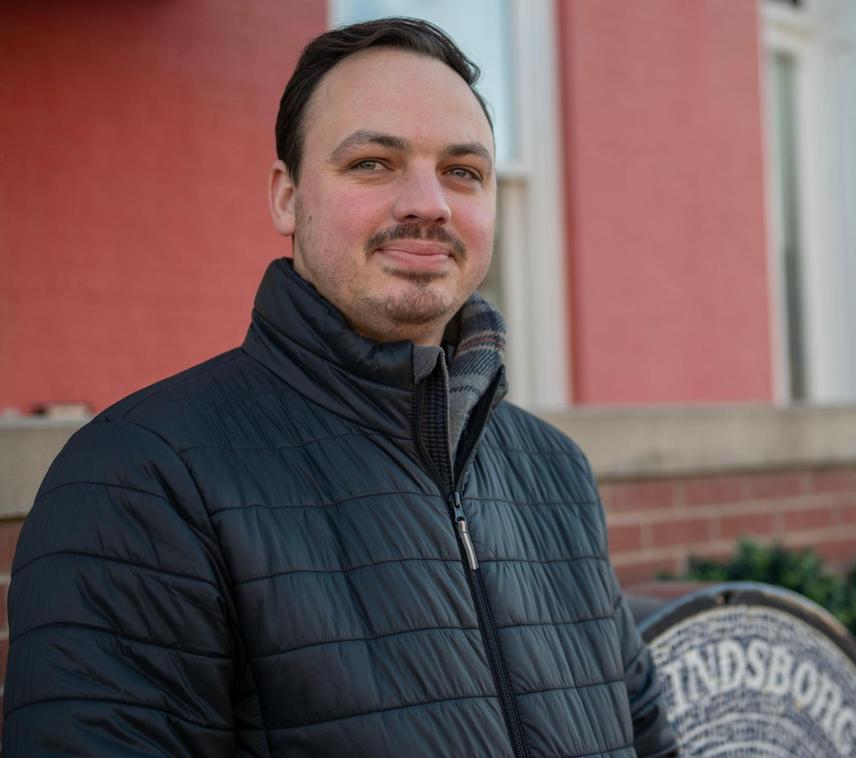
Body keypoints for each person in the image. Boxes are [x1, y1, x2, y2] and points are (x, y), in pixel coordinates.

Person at [3, 18, 676, 757]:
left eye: (463, 171)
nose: (430, 203)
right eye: (374, 163)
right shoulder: (140, 481)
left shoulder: (556, 475)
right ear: (287, 198)